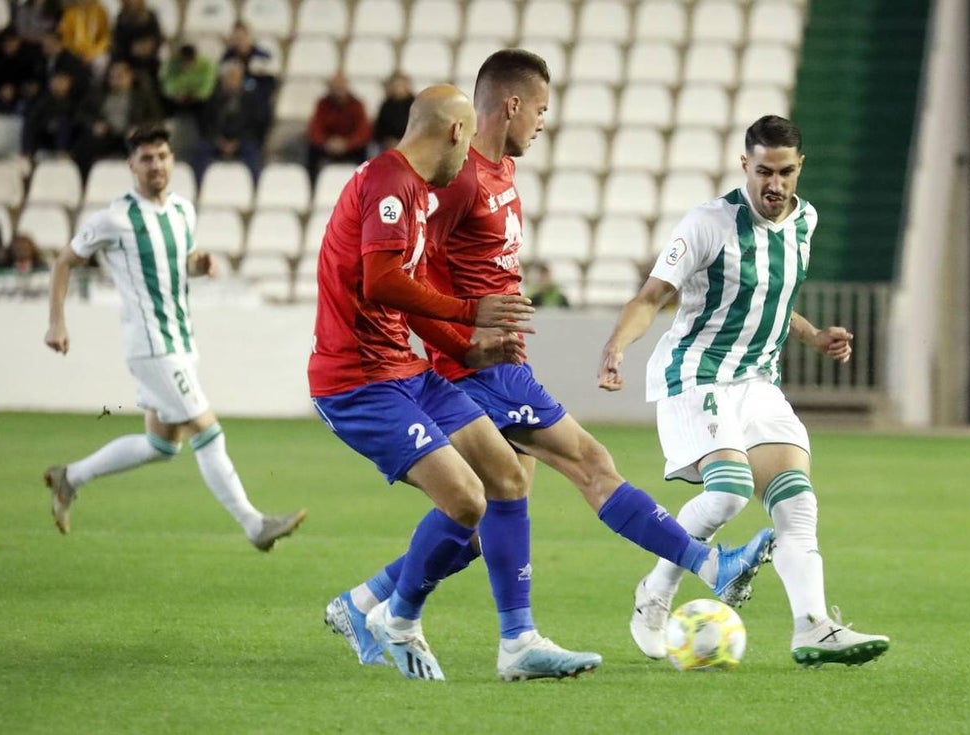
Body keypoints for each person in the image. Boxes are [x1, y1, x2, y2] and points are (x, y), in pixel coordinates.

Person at [321, 53, 774, 678]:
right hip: (475, 371)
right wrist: (465, 339)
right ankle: (705, 566)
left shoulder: (500, 169)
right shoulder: (455, 181)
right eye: (539, 110)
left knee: (488, 514)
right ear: (511, 105)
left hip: (491, 362)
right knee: (589, 465)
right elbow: (407, 279)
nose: (541, 123)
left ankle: (368, 602)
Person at [310, 83, 601, 682]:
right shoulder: (389, 183)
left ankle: (518, 642)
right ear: (455, 132)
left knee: (507, 478)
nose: (469, 156)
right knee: (467, 500)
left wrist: (466, 346)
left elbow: (410, 301)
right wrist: (470, 311)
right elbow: (382, 281)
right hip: (358, 381)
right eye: (467, 143)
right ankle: (397, 619)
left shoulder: (417, 192)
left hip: (404, 369)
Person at [598, 114, 891, 668]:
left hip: (758, 382)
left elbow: (770, 301)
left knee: (797, 502)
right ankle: (654, 594)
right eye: (763, 172)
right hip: (696, 373)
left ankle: (812, 626)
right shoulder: (707, 224)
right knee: (729, 493)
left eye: (785, 172)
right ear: (745, 166)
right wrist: (617, 346)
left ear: (800, 168)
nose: (774, 184)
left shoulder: (805, 221)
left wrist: (813, 336)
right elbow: (650, 297)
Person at [43, 123, 307, 552]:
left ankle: (70, 477)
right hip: (151, 346)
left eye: (162, 156)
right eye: (146, 158)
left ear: (173, 160)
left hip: (182, 341)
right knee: (208, 430)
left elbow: (173, 265)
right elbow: (63, 261)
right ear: (131, 166)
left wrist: (197, 266)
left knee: (162, 445)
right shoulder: (115, 218)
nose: (156, 165)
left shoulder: (183, 210)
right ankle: (254, 524)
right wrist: (57, 321)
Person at [305, 73, 371, 187]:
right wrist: (326, 142)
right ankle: (312, 187)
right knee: (311, 151)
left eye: (341, 86)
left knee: (365, 153)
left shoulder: (357, 104)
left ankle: (364, 187)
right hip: (328, 145)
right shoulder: (322, 104)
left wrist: (347, 143)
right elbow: (314, 129)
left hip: (350, 147)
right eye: (335, 86)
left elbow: (363, 131)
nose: (338, 89)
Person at [372, 71, 413, 154]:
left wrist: (402, 142)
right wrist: (387, 141)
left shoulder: (415, 104)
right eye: (395, 85)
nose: (398, 88)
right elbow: (379, 129)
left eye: (400, 85)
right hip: (388, 145)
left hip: (410, 144)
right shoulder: (386, 105)